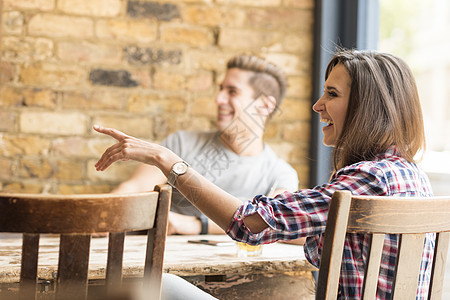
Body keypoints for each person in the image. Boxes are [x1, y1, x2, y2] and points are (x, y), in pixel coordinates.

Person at [93, 49, 434, 299]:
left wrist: (167, 160)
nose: (317, 105)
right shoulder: (416, 180)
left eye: (331, 94)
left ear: (367, 107)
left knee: (153, 287)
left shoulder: (364, 181)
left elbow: (248, 223)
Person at [111, 54, 299, 235]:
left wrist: (195, 224)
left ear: (265, 105)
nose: (219, 99)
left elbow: (272, 223)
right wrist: (103, 215)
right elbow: (133, 189)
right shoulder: (181, 144)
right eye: (221, 89)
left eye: (232, 91)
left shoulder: (281, 174)